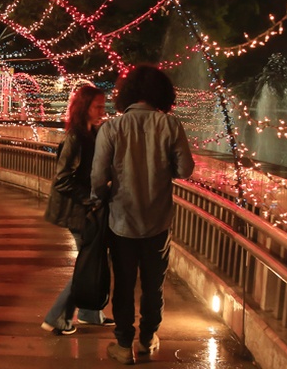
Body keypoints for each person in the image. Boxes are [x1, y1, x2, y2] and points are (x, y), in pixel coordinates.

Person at [90, 65, 195, 365]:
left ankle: (124, 344)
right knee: (154, 284)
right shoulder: (170, 125)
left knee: (123, 283)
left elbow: (97, 178)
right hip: (158, 221)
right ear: (162, 93)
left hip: (121, 220)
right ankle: (148, 338)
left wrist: (104, 197)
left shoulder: (112, 128)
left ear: (127, 94)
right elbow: (185, 169)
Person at [41, 85, 115, 335]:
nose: (102, 112)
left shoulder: (93, 132)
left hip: (85, 209)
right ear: (84, 107)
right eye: (98, 107)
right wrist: (91, 198)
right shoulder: (75, 138)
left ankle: (89, 313)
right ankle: (56, 317)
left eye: (104, 107)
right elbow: (62, 179)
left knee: (93, 260)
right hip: (78, 211)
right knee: (87, 265)